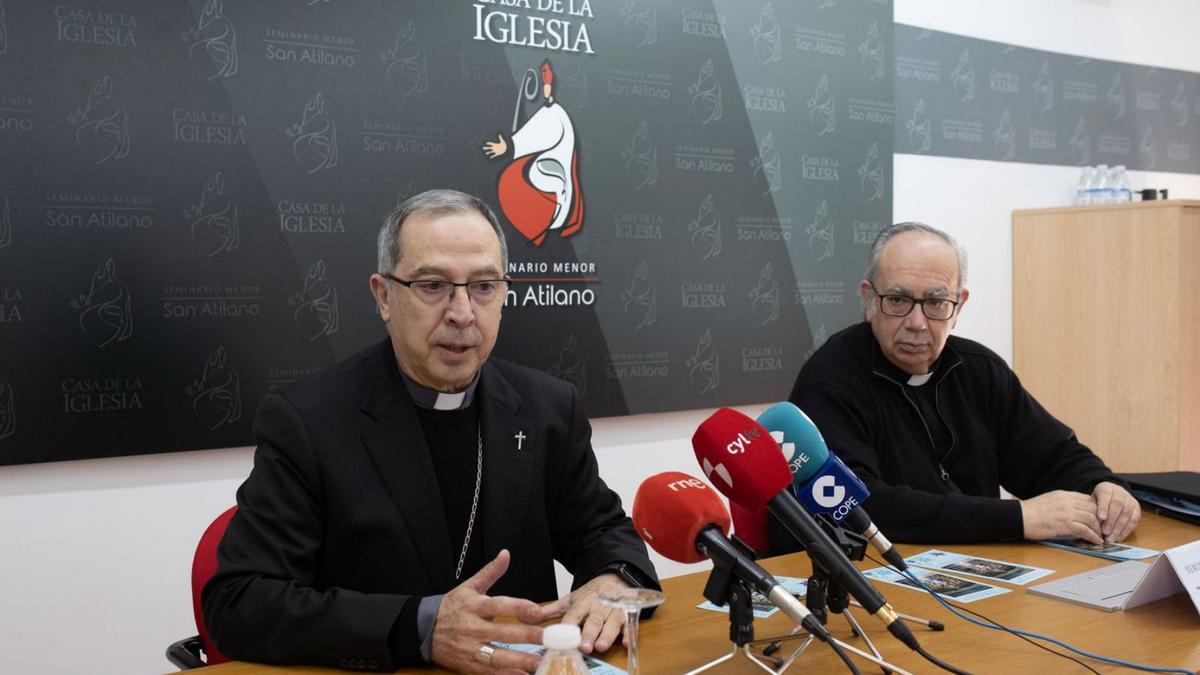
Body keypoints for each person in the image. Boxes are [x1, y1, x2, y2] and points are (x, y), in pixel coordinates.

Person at [203, 189, 657, 672]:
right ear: (384, 296)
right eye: (434, 285)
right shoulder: (308, 421)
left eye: (483, 286)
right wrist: (418, 627)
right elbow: (239, 602)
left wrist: (613, 578)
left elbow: (605, 531)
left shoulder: (548, 408)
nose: (462, 313)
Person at [784, 222, 1140, 546]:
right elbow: (860, 506)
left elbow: (1051, 455)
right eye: (898, 300)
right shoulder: (831, 379)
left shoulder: (979, 369)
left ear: (959, 305)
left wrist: (1103, 486)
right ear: (868, 299)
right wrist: (1017, 518)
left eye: (937, 303)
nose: (917, 322)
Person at [483, 60, 583, 247]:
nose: (545, 89)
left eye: (546, 85)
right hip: (553, 179)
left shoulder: (554, 115)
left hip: (554, 184)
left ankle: (541, 222)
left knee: (515, 181)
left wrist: (510, 147)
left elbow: (543, 134)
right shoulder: (550, 112)